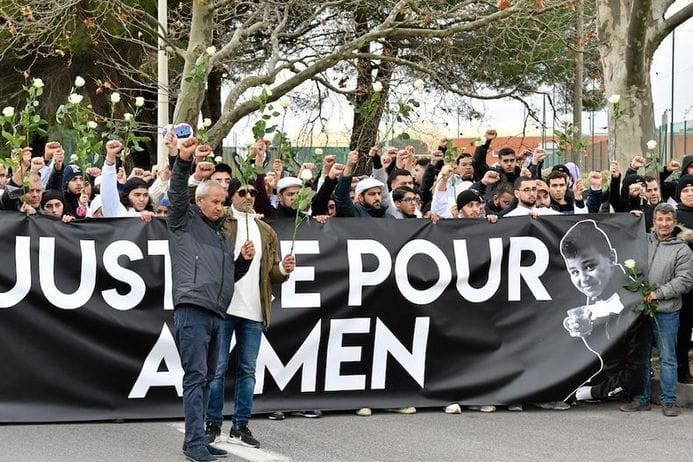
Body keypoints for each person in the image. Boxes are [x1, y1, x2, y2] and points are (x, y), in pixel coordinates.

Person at [167, 136, 255, 462]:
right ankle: (194, 444)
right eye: (216, 202)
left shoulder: (220, 236)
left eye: (223, 203)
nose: (221, 207)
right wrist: (183, 160)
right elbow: (177, 191)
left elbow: (228, 278)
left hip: (217, 312)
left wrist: (242, 262)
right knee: (196, 378)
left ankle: (199, 439)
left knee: (205, 380)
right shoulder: (182, 221)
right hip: (193, 309)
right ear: (200, 201)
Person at [205, 182, 296, 447]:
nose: (248, 197)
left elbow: (272, 276)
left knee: (248, 371)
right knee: (218, 369)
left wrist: (284, 268)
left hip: (255, 309)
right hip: (224, 307)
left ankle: (240, 426)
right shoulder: (220, 223)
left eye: (253, 193)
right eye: (242, 192)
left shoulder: (266, 230)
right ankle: (212, 424)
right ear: (231, 196)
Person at [561, 220, 648, 403]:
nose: (583, 279)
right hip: (605, 375)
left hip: (617, 382)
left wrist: (594, 392)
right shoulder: (597, 288)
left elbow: (635, 374)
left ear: (612, 258)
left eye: (589, 267)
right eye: (574, 272)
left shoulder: (631, 302)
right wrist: (580, 328)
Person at [620, 203, 693, 416]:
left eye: (668, 220)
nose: (663, 224)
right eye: (659, 219)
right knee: (640, 356)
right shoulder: (643, 241)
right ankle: (641, 399)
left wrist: (658, 293)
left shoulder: (683, 249)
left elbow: (685, 281)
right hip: (641, 311)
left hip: (667, 311)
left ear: (674, 221)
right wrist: (630, 217)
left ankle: (668, 401)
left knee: (667, 357)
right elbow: (621, 237)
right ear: (653, 221)